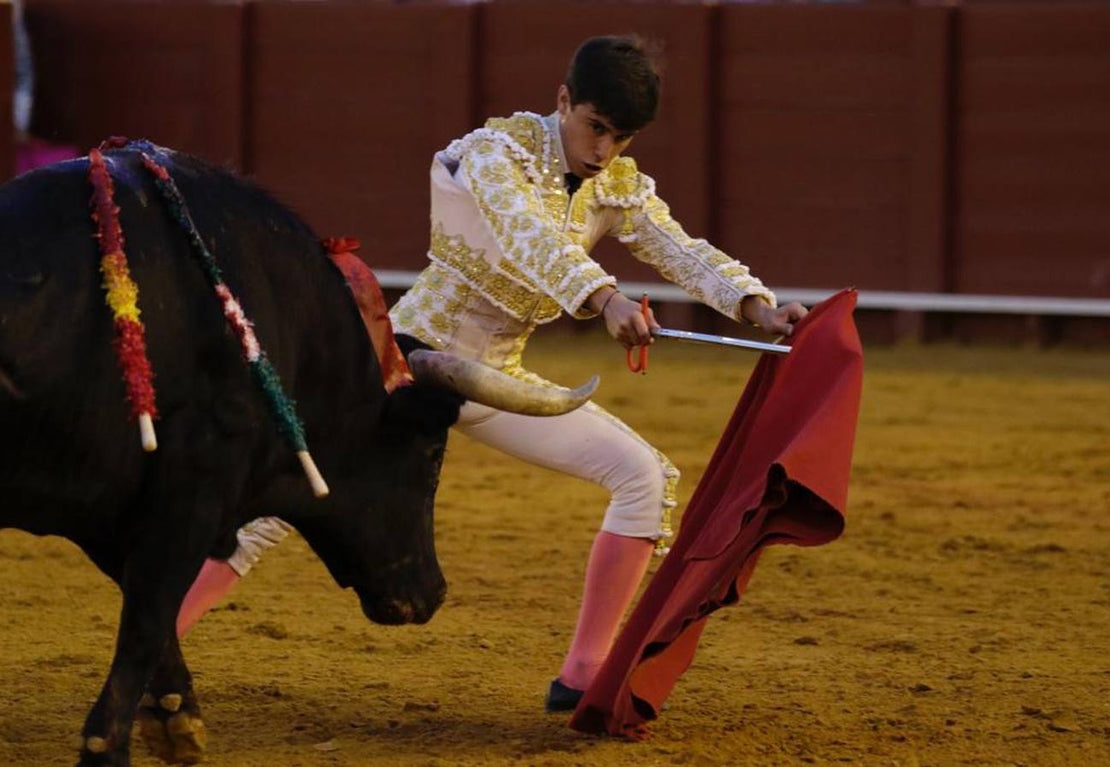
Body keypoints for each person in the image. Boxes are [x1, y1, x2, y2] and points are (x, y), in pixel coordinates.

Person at [177, 34, 807, 713]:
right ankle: (157, 639)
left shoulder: (617, 184)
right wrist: (604, 297)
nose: (603, 153)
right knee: (273, 509)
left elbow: (679, 248)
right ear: (563, 101)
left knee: (645, 478)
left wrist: (757, 306)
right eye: (596, 128)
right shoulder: (491, 153)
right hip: (403, 366)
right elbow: (526, 235)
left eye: (620, 139)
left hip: (494, 378)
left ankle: (583, 669)